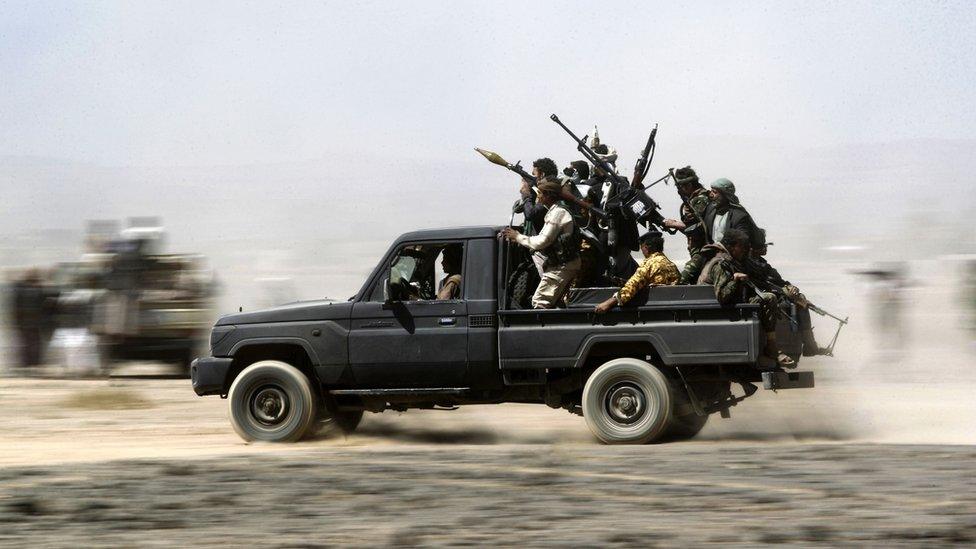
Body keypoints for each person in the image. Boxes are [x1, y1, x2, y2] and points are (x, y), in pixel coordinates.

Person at [701, 229, 794, 368]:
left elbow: (762, 272)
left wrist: (785, 287)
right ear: (732, 247)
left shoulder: (736, 260)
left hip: (735, 304)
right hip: (721, 310)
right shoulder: (721, 264)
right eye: (742, 246)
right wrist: (735, 281)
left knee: (771, 298)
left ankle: (769, 345)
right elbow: (722, 297)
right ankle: (770, 346)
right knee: (768, 299)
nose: (745, 250)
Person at [499, 180, 581, 309]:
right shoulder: (554, 211)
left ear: (548, 195)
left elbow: (543, 241)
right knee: (556, 303)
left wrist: (518, 237)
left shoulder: (558, 213)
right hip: (559, 265)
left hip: (562, 266)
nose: (538, 196)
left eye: (540, 193)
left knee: (540, 301)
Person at [748, 230, 828, 356]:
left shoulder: (762, 263)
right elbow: (761, 284)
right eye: (762, 246)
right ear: (752, 248)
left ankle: (809, 344)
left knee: (801, 300)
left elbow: (779, 280)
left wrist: (790, 287)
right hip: (763, 297)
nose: (765, 249)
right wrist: (783, 290)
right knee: (788, 304)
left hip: (773, 294)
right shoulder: (747, 264)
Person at [594, 231, 679, 313]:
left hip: (653, 308)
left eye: (641, 247)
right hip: (671, 304)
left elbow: (632, 286)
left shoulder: (649, 264)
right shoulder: (670, 264)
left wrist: (608, 303)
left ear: (646, 247)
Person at [662, 166, 711, 284]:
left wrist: (674, 224)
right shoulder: (693, 199)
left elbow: (698, 226)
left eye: (681, 187)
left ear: (688, 186)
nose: (679, 190)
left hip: (702, 249)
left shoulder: (700, 199)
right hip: (696, 248)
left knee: (683, 279)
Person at [701, 178, 762, 249]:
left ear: (726, 195)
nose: (711, 195)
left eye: (715, 192)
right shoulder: (709, 210)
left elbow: (741, 241)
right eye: (711, 191)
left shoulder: (739, 216)